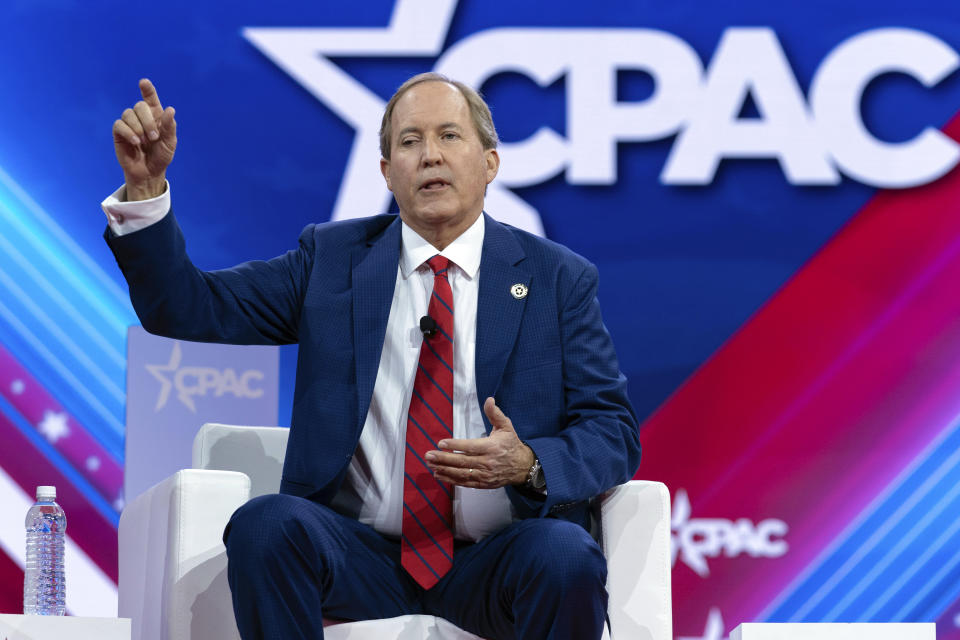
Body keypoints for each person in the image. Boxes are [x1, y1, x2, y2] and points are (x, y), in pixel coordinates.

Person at [103, 73, 641, 640]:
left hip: (499, 560)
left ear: (490, 163)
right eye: (409, 142)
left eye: (449, 136)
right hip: (361, 557)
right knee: (266, 526)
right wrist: (145, 192)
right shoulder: (332, 262)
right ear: (387, 173)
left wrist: (528, 463)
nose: (430, 155)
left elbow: (613, 431)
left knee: (564, 555)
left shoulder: (558, 278)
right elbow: (188, 309)